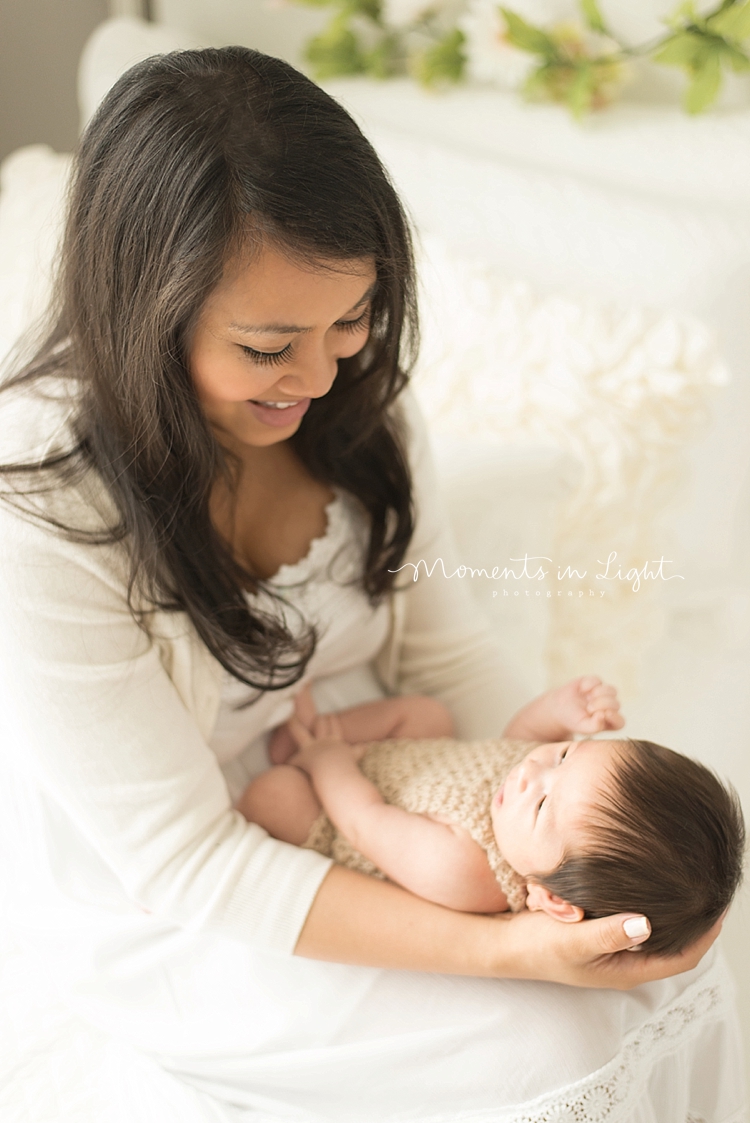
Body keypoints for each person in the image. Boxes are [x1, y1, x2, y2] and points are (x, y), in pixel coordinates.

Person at [0, 43, 726, 1118]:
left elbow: (446, 655)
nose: (320, 375)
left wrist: (541, 824)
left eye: (351, 321)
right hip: (207, 880)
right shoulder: (40, 509)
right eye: (267, 346)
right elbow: (188, 862)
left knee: (678, 941)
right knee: (548, 1039)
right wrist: (508, 949)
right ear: (143, 313)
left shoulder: (354, 411)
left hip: (386, 771)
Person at [240, 679, 744, 955]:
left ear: (553, 899)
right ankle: (313, 733)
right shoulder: (527, 800)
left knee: (275, 796)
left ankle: (308, 751)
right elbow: (517, 742)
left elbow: (363, 822)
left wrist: (330, 761)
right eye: (568, 754)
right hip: (406, 764)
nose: (530, 773)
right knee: (429, 714)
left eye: (544, 803)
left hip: (345, 811)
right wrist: (559, 708)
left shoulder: (467, 869)